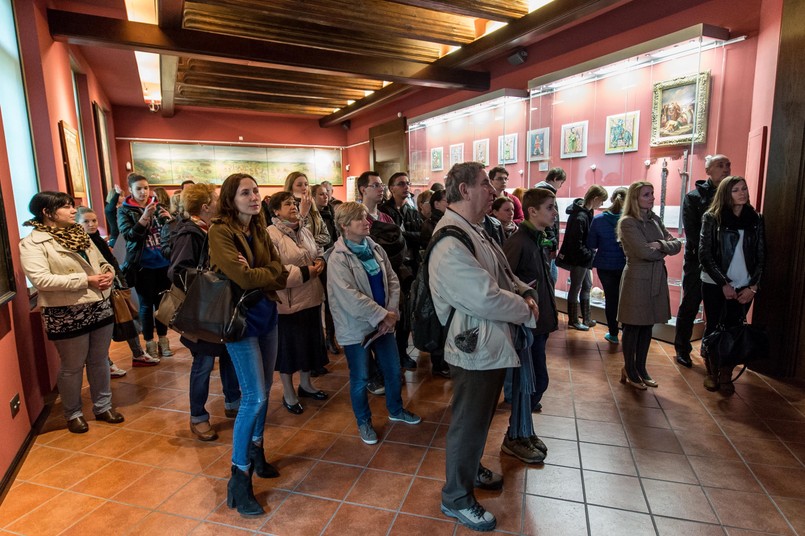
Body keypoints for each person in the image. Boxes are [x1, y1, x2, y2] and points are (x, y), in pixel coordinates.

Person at [430, 162, 538, 532]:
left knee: (478, 420)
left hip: (487, 342)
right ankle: (456, 497)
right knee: (469, 423)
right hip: (473, 346)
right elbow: (484, 296)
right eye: (485, 185)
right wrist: (524, 308)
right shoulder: (450, 239)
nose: (494, 192)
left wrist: (523, 289)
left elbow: (501, 273)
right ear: (463, 190)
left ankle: (469, 468)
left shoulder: (473, 229)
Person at [209, 173, 289, 517]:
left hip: (265, 313)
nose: (255, 197)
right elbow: (242, 277)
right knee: (253, 396)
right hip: (237, 321)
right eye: (246, 192)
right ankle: (239, 477)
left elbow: (280, 271)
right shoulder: (220, 231)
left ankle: (257, 450)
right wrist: (265, 272)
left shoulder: (258, 227)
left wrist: (262, 271)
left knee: (266, 388)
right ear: (231, 198)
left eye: (256, 191)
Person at [20, 192, 125, 434]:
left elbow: (102, 261)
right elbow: (41, 279)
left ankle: (103, 406)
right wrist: (86, 280)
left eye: (71, 206)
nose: (71, 210)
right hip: (66, 311)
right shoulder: (32, 243)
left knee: (99, 360)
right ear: (47, 212)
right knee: (72, 365)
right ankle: (73, 413)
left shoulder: (80, 234)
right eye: (65, 207)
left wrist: (108, 273)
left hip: (98, 305)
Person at [327, 202, 421, 444]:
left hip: (384, 323)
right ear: (345, 225)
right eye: (360, 219)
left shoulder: (374, 247)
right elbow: (349, 296)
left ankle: (396, 410)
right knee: (360, 378)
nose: (367, 222)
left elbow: (392, 278)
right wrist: (382, 315)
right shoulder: (338, 259)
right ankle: (364, 422)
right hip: (357, 327)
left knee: (392, 370)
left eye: (366, 217)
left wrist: (390, 312)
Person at [168, 183, 241, 441]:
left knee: (230, 357)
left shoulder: (214, 230)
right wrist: (212, 278)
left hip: (219, 309)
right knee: (203, 364)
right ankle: (198, 416)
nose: (221, 201)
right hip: (202, 311)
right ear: (206, 206)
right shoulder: (190, 233)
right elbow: (177, 271)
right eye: (216, 198)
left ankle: (233, 402)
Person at [501, 188, 559, 462]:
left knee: (534, 382)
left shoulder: (537, 239)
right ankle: (515, 434)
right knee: (532, 382)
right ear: (532, 211)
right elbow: (505, 280)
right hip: (528, 325)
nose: (554, 212)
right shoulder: (519, 241)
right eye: (549, 207)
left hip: (540, 323)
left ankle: (523, 429)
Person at [699, 176, 765, 394]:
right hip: (715, 284)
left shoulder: (755, 219)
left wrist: (753, 287)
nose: (742, 193)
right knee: (714, 327)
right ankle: (712, 372)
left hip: (745, 285)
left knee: (735, 330)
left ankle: (726, 375)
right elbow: (705, 254)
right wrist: (723, 283)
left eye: (744, 188)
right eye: (736, 190)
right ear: (726, 194)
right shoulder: (712, 218)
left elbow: (762, 255)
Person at [75, 206, 157, 375]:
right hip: (97, 290)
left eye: (94, 221)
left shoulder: (97, 239)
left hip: (114, 286)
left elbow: (110, 261)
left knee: (127, 320)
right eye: (86, 221)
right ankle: (107, 362)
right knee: (103, 330)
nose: (91, 225)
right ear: (77, 224)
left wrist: (120, 280)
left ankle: (138, 354)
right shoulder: (80, 243)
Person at [267, 192, 329, 414]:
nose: (293, 206)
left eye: (294, 203)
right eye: (287, 204)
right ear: (276, 210)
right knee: (289, 351)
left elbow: (316, 250)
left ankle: (306, 384)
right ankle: (288, 392)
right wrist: (306, 272)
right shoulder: (271, 235)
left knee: (309, 345)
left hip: (311, 297)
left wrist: (320, 260)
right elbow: (274, 271)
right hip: (288, 303)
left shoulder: (303, 229)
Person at [617, 182, 682, 390]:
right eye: (647, 194)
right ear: (635, 199)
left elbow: (677, 243)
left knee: (647, 325)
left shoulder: (654, 218)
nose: (652, 198)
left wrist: (661, 245)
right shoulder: (628, 223)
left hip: (655, 277)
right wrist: (663, 248)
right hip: (637, 278)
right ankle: (630, 368)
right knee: (633, 325)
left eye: (652, 194)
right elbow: (645, 252)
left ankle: (641, 368)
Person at [674, 154, 731, 368]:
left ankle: (710, 348)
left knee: (718, 310)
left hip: (725, 262)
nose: (725, 169)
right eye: (720, 165)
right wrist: (704, 259)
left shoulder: (731, 195)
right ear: (708, 170)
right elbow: (693, 233)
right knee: (690, 304)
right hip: (698, 261)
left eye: (727, 165)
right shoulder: (694, 197)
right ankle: (682, 348)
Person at [117, 173, 175, 359]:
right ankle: (150, 343)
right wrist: (143, 218)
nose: (143, 192)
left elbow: (169, 231)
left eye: (146, 188)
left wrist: (170, 219)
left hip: (163, 262)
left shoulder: (158, 205)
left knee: (163, 303)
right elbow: (129, 236)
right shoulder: (125, 210)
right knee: (146, 304)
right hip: (142, 264)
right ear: (131, 190)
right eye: (139, 189)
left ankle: (164, 340)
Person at [380, 171, 423, 369]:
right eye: (401, 184)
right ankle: (391, 355)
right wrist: (403, 236)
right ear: (392, 188)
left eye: (408, 183)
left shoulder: (411, 211)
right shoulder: (384, 211)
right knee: (394, 311)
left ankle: (402, 350)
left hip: (411, 265)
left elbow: (422, 235)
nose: (406, 187)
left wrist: (402, 234)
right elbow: (388, 240)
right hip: (394, 266)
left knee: (407, 313)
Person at [558, 184, 608, 331]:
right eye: (601, 201)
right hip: (580, 258)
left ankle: (586, 318)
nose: (602, 204)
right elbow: (576, 242)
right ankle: (573, 320)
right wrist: (588, 254)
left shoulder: (586, 212)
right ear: (596, 198)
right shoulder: (580, 216)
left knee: (586, 286)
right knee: (576, 287)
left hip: (584, 257)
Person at [587, 187, 628, 344]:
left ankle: (612, 333)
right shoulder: (629, 220)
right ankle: (627, 332)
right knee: (625, 300)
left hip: (605, 265)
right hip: (625, 265)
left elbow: (592, 243)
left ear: (611, 199)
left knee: (611, 300)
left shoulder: (598, 220)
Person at [312, 183, 341, 356]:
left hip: (333, 259)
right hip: (319, 260)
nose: (325, 196)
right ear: (313, 197)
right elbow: (316, 239)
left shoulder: (332, 212)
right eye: (321, 194)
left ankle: (331, 337)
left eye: (326, 193)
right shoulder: (311, 216)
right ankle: (322, 340)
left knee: (332, 301)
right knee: (319, 300)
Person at [536, 167, 568, 282]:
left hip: (547, 240)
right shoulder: (545, 193)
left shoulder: (544, 192)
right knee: (549, 277)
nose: (561, 185)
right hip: (546, 241)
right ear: (555, 178)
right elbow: (548, 220)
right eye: (561, 182)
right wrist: (552, 241)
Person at [285, 171, 331, 249]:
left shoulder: (312, 205)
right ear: (290, 189)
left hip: (317, 254)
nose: (304, 188)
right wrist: (302, 213)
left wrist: (310, 242)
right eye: (299, 185)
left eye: (306, 184)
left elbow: (326, 236)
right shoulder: (287, 207)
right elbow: (292, 236)